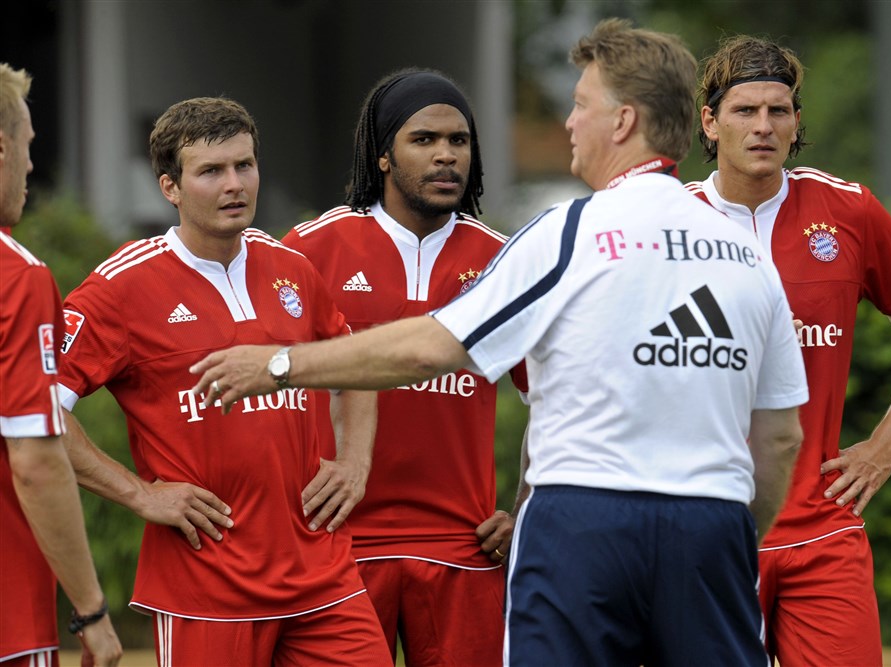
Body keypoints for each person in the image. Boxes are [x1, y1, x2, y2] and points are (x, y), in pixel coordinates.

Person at [192, 19, 809, 666]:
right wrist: (734, 534)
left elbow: (431, 348)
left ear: (622, 121)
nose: (569, 123)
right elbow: (779, 439)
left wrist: (281, 364)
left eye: (579, 105)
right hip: (710, 525)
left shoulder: (567, 233)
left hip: (580, 524)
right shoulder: (746, 254)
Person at [56, 96, 392, 666]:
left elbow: (355, 366)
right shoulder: (122, 286)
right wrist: (139, 493)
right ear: (170, 187)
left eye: (245, 165)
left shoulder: (290, 267)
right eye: (211, 171)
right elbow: (32, 407)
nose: (235, 184)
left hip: (322, 576)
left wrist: (355, 461)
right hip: (206, 587)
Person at [686, 35, 891, 667]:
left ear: (797, 121)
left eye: (778, 111)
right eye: (744, 111)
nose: (763, 127)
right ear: (710, 121)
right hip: (705, 535)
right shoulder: (670, 223)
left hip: (822, 529)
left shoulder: (849, 210)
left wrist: (885, 446)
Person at [281, 68, 528, 666]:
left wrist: (528, 507)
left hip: (463, 549)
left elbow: (564, 396)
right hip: (336, 546)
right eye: (424, 140)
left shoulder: (504, 262)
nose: (446, 156)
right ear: (382, 155)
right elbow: (264, 381)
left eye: (459, 141)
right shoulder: (309, 251)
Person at [0, 62, 122, 667]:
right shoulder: (16, 276)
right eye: (26, 147)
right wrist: (92, 610)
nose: (29, 166)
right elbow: (37, 463)